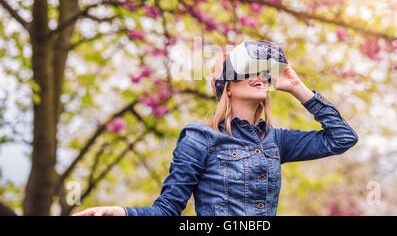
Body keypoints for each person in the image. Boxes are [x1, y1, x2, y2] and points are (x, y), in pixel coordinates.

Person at [73, 46, 358, 216]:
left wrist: (298, 87)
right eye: (248, 70)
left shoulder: (276, 140)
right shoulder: (200, 138)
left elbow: (342, 138)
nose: (259, 76)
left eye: (262, 71)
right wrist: (121, 212)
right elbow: (167, 210)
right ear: (228, 85)